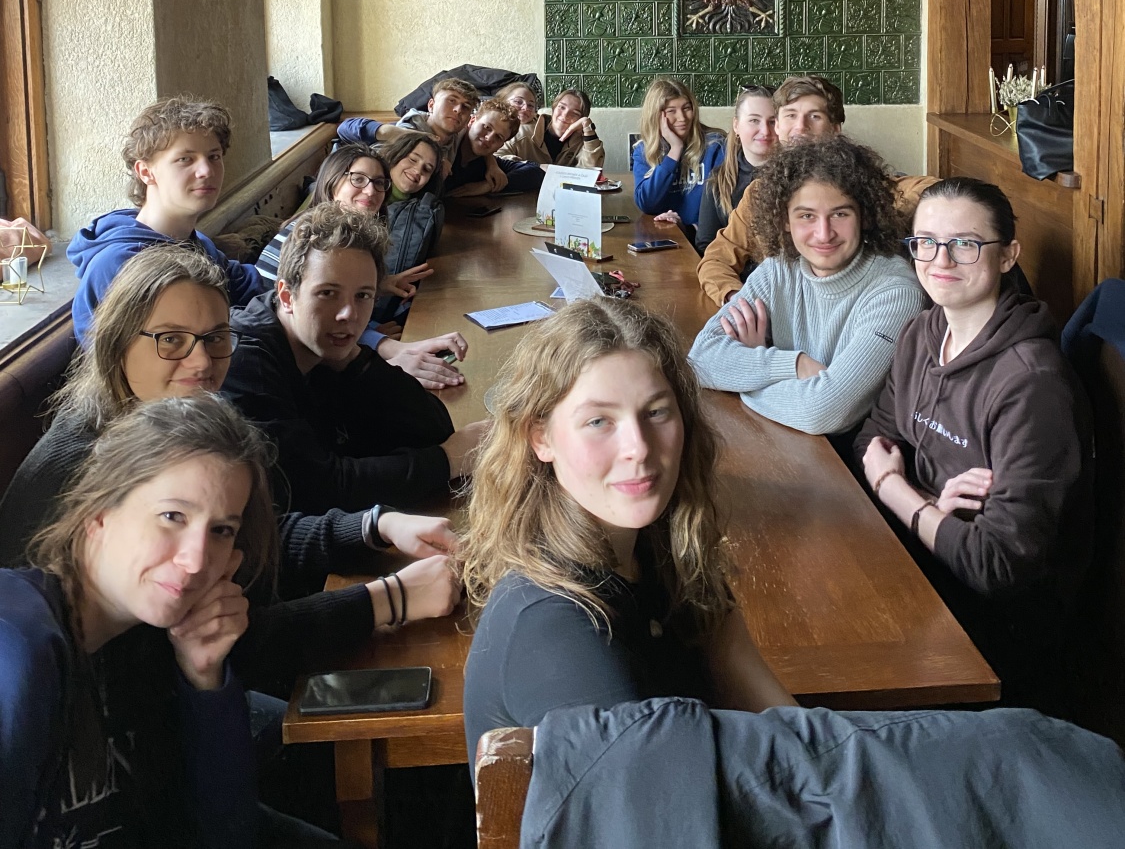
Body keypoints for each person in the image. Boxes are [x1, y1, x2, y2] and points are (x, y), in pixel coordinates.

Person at [0, 247, 461, 697]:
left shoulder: (156, 424)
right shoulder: (84, 472)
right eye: (171, 340)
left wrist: (373, 526)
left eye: (216, 338)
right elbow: (215, 645)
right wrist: (389, 599)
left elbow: (244, 538)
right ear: (118, 342)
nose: (202, 362)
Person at [461, 297, 794, 766]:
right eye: (599, 421)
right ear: (541, 438)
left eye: (656, 412)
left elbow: (780, 721)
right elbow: (660, 793)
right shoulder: (553, 624)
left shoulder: (662, 550)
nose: (638, 447)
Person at [0, 393, 339, 848]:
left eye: (221, 530)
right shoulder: (19, 642)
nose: (196, 560)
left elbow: (226, 835)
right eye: (172, 516)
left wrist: (204, 677)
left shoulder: (147, 643)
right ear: (98, 514)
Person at [855, 177, 1093, 708]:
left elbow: (997, 564)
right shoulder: (921, 332)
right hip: (924, 567)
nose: (940, 259)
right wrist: (932, 505)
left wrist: (898, 490)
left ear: (1008, 255)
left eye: (965, 243)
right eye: (925, 242)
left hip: (996, 636)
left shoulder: (1033, 383)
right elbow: (872, 440)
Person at [225, 205, 488, 516]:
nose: (348, 314)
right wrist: (448, 461)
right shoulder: (246, 363)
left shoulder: (323, 348)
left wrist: (357, 361)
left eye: (363, 296)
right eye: (327, 293)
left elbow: (434, 431)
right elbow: (317, 490)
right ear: (286, 296)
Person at [687, 137, 925, 437]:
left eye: (840, 214)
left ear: (864, 216)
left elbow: (821, 411)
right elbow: (701, 359)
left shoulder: (896, 292)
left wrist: (744, 378)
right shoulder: (777, 270)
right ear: (785, 219)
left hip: (848, 459)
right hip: (783, 440)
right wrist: (794, 365)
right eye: (806, 216)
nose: (823, 234)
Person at [697, 74, 933, 306]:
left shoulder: (863, 184)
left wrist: (880, 213)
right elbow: (716, 259)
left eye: (815, 116)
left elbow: (931, 189)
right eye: (791, 115)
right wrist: (738, 301)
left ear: (835, 129)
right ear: (778, 126)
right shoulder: (759, 193)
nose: (800, 127)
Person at [254, 142, 462, 390]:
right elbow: (307, 324)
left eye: (378, 183)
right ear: (332, 181)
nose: (371, 191)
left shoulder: (349, 238)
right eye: (358, 179)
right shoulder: (313, 239)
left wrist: (372, 325)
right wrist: (381, 344)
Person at [67, 96, 263, 344]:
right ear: (146, 172)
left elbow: (251, 287)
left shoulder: (197, 244)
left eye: (214, 156)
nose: (207, 171)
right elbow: (125, 359)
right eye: (185, 159)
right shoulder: (120, 264)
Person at [631, 78, 724, 233]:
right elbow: (646, 203)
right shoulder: (644, 150)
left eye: (686, 108)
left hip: (702, 238)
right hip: (662, 235)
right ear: (656, 116)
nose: (682, 118)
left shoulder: (716, 146)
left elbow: (723, 207)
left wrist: (688, 229)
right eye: (671, 111)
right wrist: (675, 149)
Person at [694, 86, 777, 253]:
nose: (765, 131)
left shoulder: (797, 177)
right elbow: (706, 245)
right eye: (754, 120)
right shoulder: (718, 180)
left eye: (773, 122)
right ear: (736, 125)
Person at [338, 77, 480, 173]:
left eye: (466, 106)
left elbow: (486, 136)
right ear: (431, 105)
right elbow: (344, 128)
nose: (458, 110)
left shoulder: (457, 136)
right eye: (451, 101)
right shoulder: (405, 131)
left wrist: (490, 164)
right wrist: (386, 131)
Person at [499, 87, 606, 171]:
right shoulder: (522, 133)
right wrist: (535, 167)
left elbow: (592, 172)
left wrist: (588, 129)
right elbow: (497, 159)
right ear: (554, 108)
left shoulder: (581, 141)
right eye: (562, 107)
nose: (565, 115)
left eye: (575, 113)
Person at [447, 98, 524, 196]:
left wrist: (489, 185)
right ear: (472, 121)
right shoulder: (445, 145)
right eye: (487, 127)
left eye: (498, 137)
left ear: (501, 146)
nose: (489, 138)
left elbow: (535, 172)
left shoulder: (488, 165)